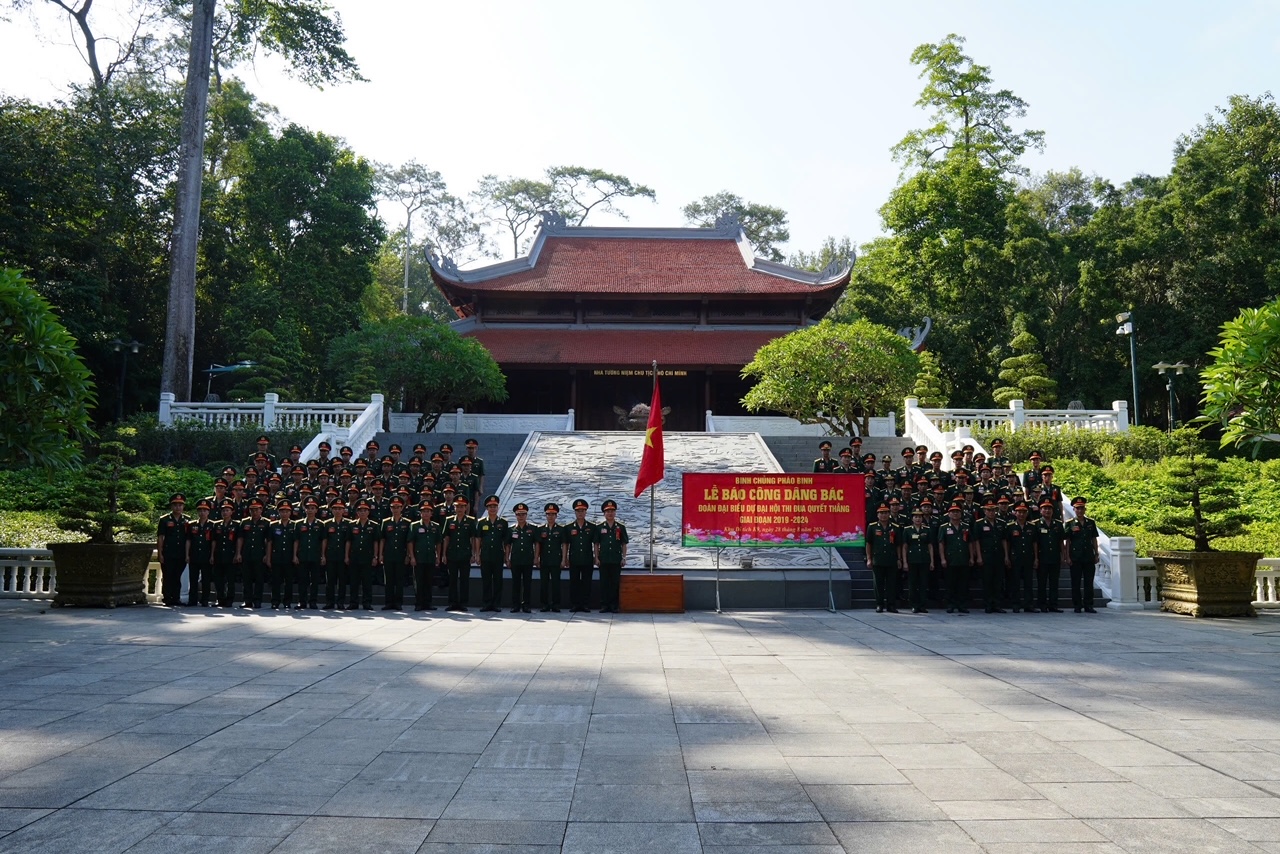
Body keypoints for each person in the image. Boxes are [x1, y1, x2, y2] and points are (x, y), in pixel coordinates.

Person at [970, 499, 1007, 613]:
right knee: (987, 581)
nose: (991, 512)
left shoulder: (1001, 523)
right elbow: (976, 541)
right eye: (988, 510)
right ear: (985, 511)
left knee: (998, 581)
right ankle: (988, 604)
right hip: (986, 556)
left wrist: (1006, 556)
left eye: (993, 510)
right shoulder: (979, 523)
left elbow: (1004, 540)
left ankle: (996, 604)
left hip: (998, 555)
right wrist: (979, 556)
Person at [1065, 496, 1100, 613]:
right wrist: (1067, 556)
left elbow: (1094, 539)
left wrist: (1096, 553)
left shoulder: (1091, 523)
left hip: (1088, 556)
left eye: (1082, 508)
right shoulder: (1069, 524)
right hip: (1075, 557)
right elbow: (1068, 541)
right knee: (1075, 582)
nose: (1080, 510)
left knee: (1088, 582)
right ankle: (1077, 605)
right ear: (1074, 509)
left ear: (1085, 509)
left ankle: (1088, 604)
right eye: (1077, 508)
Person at [441, 495, 476, 611]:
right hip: (452, 554)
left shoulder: (470, 521)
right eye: (457, 506)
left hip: (465, 554)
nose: (459, 509)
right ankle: (452, 602)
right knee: (452, 579)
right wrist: (444, 554)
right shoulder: (449, 520)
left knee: (464, 579)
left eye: (462, 506)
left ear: (466, 508)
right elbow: (446, 538)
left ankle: (463, 603)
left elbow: (473, 538)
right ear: (454, 508)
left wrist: (473, 554)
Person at [475, 495, 510, 612]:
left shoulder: (503, 523)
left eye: (495, 506)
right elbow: (478, 539)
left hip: (498, 555)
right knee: (486, 580)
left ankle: (496, 604)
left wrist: (506, 556)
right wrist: (477, 554)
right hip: (485, 555)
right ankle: (486, 603)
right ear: (486, 508)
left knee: (498, 580)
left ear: (498, 507)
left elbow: (506, 542)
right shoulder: (481, 523)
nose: (492, 508)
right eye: (490, 506)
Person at [235, 498, 270, 609]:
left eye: (257, 509)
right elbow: (240, 539)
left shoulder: (266, 523)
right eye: (252, 510)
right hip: (247, 553)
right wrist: (238, 553)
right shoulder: (244, 522)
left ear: (261, 510)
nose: (254, 512)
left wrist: (267, 555)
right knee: (247, 578)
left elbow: (268, 541)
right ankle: (247, 600)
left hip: (260, 554)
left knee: (259, 578)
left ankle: (257, 600)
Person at [595, 499, 628, 613]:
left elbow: (624, 543)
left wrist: (624, 557)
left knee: (615, 583)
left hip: (616, 559)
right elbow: (596, 544)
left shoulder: (620, 527)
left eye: (612, 511)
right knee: (604, 583)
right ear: (604, 513)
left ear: (615, 513)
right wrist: (596, 557)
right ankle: (604, 605)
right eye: (607, 511)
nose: (610, 513)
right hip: (603, 559)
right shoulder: (599, 527)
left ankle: (614, 605)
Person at [1035, 498, 1068, 613]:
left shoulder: (1058, 524)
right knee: (1042, 582)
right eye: (1044, 508)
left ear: (1053, 511)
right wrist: (1035, 558)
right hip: (1042, 557)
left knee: (1054, 582)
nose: (1047, 511)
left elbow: (1061, 542)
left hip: (1054, 557)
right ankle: (1042, 604)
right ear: (1040, 511)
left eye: (1049, 509)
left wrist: (1063, 556)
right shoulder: (1036, 524)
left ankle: (1053, 604)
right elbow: (1035, 543)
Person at [378, 496, 411, 611]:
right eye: (393, 507)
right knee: (389, 580)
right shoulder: (386, 522)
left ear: (402, 508)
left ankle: (398, 602)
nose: (395, 509)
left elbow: (408, 541)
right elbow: (382, 539)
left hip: (401, 555)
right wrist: (380, 554)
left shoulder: (407, 523)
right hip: (388, 554)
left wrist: (408, 555)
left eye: (398, 507)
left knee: (399, 579)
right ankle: (388, 602)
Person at [937, 504, 971, 614]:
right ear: (949, 514)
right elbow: (941, 543)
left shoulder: (966, 526)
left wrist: (971, 557)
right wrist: (942, 559)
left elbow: (970, 543)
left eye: (957, 511)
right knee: (950, 584)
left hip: (963, 558)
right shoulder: (944, 527)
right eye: (953, 511)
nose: (955, 513)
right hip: (950, 559)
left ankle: (962, 605)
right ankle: (950, 604)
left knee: (963, 584)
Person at [1003, 500, 1036, 613]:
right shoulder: (1010, 527)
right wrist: (1006, 557)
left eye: (1023, 512)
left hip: (1028, 557)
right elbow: (1007, 542)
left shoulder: (1032, 527)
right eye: (1019, 512)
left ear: (1027, 513)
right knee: (1015, 582)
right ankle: (1016, 604)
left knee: (1028, 582)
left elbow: (1034, 543)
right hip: (1015, 558)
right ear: (1015, 513)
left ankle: (1028, 605)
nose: (1021, 514)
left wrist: (1036, 558)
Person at [156, 493, 189, 607]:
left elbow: (188, 539)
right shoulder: (164, 520)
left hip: (181, 553)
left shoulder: (187, 520)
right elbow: (160, 537)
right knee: (168, 576)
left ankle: (176, 598)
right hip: (168, 552)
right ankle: (167, 597)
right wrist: (160, 554)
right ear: (171, 506)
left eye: (180, 505)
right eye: (175, 505)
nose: (178, 507)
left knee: (177, 576)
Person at [346, 500, 380, 611]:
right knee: (354, 581)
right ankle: (353, 603)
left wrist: (375, 556)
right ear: (357, 512)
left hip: (367, 557)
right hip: (354, 557)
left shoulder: (374, 526)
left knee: (367, 582)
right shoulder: (351, 525)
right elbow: (348, 541)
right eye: (360, 511)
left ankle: (367, 603)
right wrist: (346, 556)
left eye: (365, 510)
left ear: (368, 512)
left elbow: (376, 542)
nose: (362, 513)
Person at [865, 504, 899, 613]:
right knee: (878, 584)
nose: (883, 515)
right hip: (878, 559)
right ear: (877, 515)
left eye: (885, 513)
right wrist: (869, 559)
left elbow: (898, 544)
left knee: (891, 584)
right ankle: (879, 604)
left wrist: (899, 559)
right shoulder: (872, 526)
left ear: (889, 514)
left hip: (891, 559)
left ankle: (891, 605)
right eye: (881, 513)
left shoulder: (895, 527)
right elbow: (869, 544)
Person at [566, 498, 597, 612]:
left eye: (582, 511)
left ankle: (585, 604)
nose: (580, 513)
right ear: (575, 512)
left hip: (587, 558)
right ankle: (574, 604)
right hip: (574, 558)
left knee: (586, 582)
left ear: (586, 512)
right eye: (578, 511)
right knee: (574, 582)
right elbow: (566, 544)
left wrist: (596, 557)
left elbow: (595, 543)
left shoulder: (592, 527)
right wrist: (565, 559)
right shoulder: (569, 527)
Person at [408, 501, 441, 611]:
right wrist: (412, 557)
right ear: (420, 513)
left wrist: (438, 556)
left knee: (428, 581)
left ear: (431, 513)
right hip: (418, 558)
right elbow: (410, 542)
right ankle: (418, 603)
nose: (426, 514)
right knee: (418, 581)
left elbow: (438, 543)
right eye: (423, 512)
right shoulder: (415, 525)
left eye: (428, 511)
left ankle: (428, 603)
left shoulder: (435, 526)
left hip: (430, 557)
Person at [294, 498, 325, 609]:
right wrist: (295, 555)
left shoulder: (321, 524)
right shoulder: (298, 524)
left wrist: (323, 555)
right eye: (308, 508)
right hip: (302, 555)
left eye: (312, 508)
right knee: (302, 580)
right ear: (304, 509)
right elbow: (296, 540)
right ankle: (302, 601)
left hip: (315, 556)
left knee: (314, 580)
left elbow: (323, 541)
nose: (310, 510)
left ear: (316, 510)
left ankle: (313, 601)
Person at [537, 502, 567, 612]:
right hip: (544, 560)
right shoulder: (541, 529)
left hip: (556, 560)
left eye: (553, 514)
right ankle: (544, 604)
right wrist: (537, 558)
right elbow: (538, 545)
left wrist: (564, 559)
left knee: (556, 583)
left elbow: (564, 545)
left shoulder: (560, 529)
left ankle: (555, 604)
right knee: (544, 583)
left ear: (556, 516)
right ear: (546, 515)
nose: (550, 516)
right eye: (548, 514)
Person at [901, 508, 932, 613]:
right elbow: (904, 546)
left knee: (923, 583)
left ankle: (922, 605)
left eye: (919, 517)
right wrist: (904, 562)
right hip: (912, 560)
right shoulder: (907, 530)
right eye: (916, 517)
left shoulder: (927, 529)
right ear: (912, 519)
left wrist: (932, 561)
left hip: (924, 559)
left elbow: (930, 546)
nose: (918, 519)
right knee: (912, 583)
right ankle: (914, 604)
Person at [508, 502, 537, 613]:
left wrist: (535, 558)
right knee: (516, 583)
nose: (521, 516)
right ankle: (515, 605)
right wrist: (507, 558)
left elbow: (537, 544)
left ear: (526, 515)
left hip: (527, 559)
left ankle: (526, 605)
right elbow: (508, 545)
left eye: (523, 514)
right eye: (518, 514)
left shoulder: (532, 529)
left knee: (527, 583)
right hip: (515, 560)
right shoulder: (511, 529)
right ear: (515, 515)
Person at [266, 501, 296, 610]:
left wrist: (294, 556)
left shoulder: (294, 525)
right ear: (279, 512)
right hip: (276, 557)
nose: (284, 513)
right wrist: (268, 558)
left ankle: (287, 601)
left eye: (287, 511)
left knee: (288, 581)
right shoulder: (273, 525)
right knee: (276, 581)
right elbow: (269, 542)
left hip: (288, 557)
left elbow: (295, 542)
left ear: (290, 512)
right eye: (282, 511)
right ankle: (275, 601)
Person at [321, 500, 350, 610]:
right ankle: (330, 602)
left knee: (342, 581)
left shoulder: (348, 524)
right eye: (335, 509)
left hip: (342, 556)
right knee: (330, 581)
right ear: (331, 510)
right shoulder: (327, 524)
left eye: (340, 509)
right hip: (330, 555)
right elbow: (325, 540)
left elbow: (348, 541)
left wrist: (347, 556)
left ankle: (340, 602)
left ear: (343, 510)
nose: (337, 511)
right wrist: (323, 555)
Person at [185, 499, 215, 607]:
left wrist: (212, 555)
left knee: (206, 579)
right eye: (200, 510)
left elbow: (213, 542)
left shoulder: (212, 525)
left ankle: (205, 599)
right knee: (193, 579)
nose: (202, 513)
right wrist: (187, 555)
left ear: (208, 512)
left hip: (206, 556)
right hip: (194, 555)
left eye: (205, 510)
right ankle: (192, 600)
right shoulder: (192, 525)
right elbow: (188, 540)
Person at [211, 501, 238, 608]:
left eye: (227, 510)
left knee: (230, 579)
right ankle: (220, 599)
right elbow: (214, 541)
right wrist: (212, 555)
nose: (225, 512)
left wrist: (237, 554)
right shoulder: (216, 525)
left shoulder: (236, 525)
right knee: (218, 579)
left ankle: (229, 599)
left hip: (231, 555)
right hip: (219, 555)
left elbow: (238, 541)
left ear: (232, 512)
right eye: (223, 511)